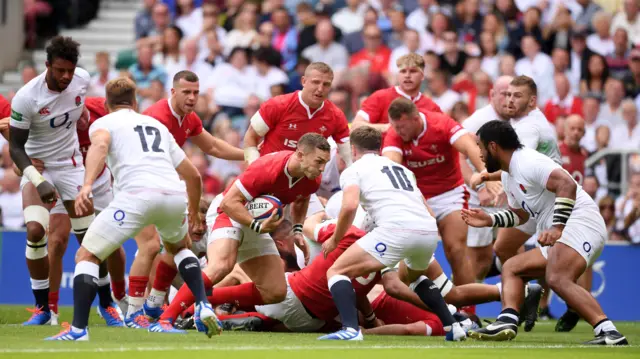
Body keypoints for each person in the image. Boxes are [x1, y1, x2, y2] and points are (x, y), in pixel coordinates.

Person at [45, 77, 219, 341]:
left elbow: (100, 147)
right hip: (174, 195)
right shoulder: (156, 126)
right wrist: (194, 212)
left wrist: (86, 185)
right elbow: (193, 175)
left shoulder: (103, 122)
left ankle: (79, 329)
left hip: (137, 195)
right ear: (135, 102)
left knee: (86, 256)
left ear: (106, 104)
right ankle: (203, 305)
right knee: (180, 248)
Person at [462, 120, 628, 346]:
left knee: (557, 277)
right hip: (569, 227)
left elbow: (567, 184)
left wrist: (557, 227)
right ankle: (507, 320)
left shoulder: (528, 161)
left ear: (492, 146)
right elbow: (520, 216)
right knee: (512, 267)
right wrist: (489, 219)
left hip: (580, 223)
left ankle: (609, 332)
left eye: (480, 148)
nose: (479, 155)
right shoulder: (509, 175)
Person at [149, 133, 331, 333]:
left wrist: (297, 230)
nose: (322, 168)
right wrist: (256, 226)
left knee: (275, 291)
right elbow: (229, 203)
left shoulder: (312, 178)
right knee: (222, 266)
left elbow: (302, 199)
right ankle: (165, 319)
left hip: (254, 221)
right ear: (300, 154)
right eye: (319, 161)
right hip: (228, 211)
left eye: (325, 163)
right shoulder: (267, 167)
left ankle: (200, 304)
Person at [319, 126, 466, 341]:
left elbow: (349, 206)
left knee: (337, 271)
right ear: (379, 148)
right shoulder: (402, 170)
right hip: (427, 230)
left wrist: (335, 239)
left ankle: (351, 330)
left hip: (396, 229)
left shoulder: (354, 169)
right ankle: (453, 326)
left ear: (352, 149)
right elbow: (429, 211)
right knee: (413, 278)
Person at [130, 70, 244, 327]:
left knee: (176, 245)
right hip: (137, 186)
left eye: (196, 92)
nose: (192, 97)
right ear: (173, 92)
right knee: (150, 247)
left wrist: (246, 155)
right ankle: (134, 312)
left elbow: (212, 146)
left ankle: (152, 305)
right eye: (186, 92)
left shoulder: (188, 118)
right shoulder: (158, 118)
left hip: (162, 186)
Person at [9, 36, 97, 325]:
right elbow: (16, 147)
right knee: (35, 231)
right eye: (60, 71)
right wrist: (37, 179)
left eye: (70, 71)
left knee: (93, 239)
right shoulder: (26, 97)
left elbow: (76, 105)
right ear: (47, 66)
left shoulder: (81, 80)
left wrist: (82, 115)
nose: (66, 76)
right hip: (38, 168)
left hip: (70, 166)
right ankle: (43, 309)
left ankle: (109, 305)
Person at [382, 98, 494, 297]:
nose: (398, 131)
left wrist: (487, 174)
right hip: (416, 199)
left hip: (449, 194)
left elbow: (469, 147)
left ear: (416, 119)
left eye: (402, 126)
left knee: (456, 249)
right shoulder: (394, 134)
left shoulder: (441, 124)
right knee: (408, 256)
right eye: (395, 127)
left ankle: (467, 311)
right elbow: (392, 166)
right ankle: (405, 306)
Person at [243, 62, 352, 218]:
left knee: (320, 224)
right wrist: (254, 171)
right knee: (266, 232)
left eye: (326, 84)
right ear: (303, 81)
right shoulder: (278, 105)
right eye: (315, 82)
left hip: (303, 186)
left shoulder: (335, 116)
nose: (320, 89)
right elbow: (250, 138)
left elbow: (349, 157)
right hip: (268, 182)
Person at [460, 75, 513, 281]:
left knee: (510, 251)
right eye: (504, 94)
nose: (508, 100)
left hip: (504, 199)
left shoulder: (514, 120)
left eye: (512, 95)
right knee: (479, 260)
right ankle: (462, 306)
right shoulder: (478, 120)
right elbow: (459, 157)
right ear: (492, 95)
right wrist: (480, 189)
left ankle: (512, 308)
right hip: (479, 199)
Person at [555, 114, 593, 333]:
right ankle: (544, 306)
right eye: (573, 128)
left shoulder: (587, 156)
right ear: (565, 130)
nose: (576, 133)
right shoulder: (557, 153)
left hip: (580, 211)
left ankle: (578, 308)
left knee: (583, 259)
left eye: (580, 129)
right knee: (550, 257)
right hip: (559, 211)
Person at [351, 53, 441, 134]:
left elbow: (446, 131)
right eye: (403, 71)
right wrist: (385, 128)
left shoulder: (431, 106)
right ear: (398, 75)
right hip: (382, 151)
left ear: (422, 76)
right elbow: (355, 126)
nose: (407, 75)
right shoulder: (381, 97)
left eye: (413, 71)